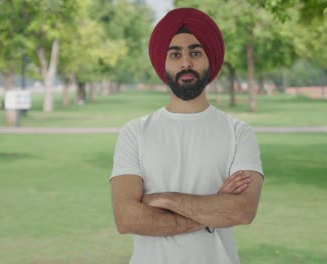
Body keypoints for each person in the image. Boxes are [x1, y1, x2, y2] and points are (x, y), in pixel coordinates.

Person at [110, 7, 264, 264]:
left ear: (209, 59)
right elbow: (126, 219)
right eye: (175, 54)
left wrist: (162, 200)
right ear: (164, 61)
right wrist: (215, 207)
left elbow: (243, 211)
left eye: (195, 52)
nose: (185, 62)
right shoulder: (134, 133)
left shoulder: (239, 133)